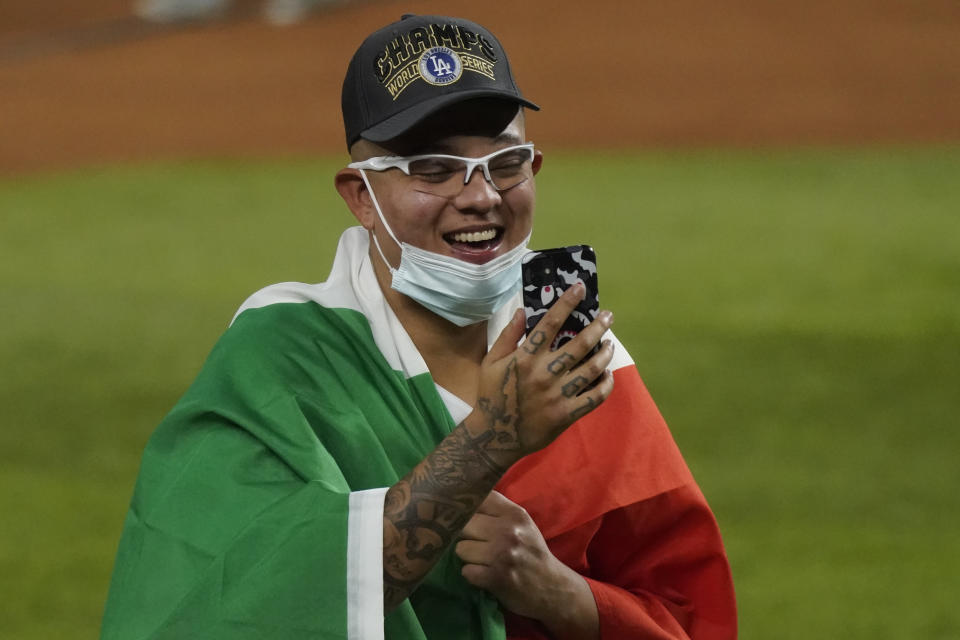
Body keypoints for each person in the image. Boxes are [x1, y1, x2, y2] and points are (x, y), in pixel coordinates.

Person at [100, 13, 737, 640]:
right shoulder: (283, 355)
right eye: (433, 169)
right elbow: (240, 602)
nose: (482, 195)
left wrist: (564, 596)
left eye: (506, 162)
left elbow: (685, 615)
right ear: (361, 196)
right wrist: (493, 438)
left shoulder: (579, 357)